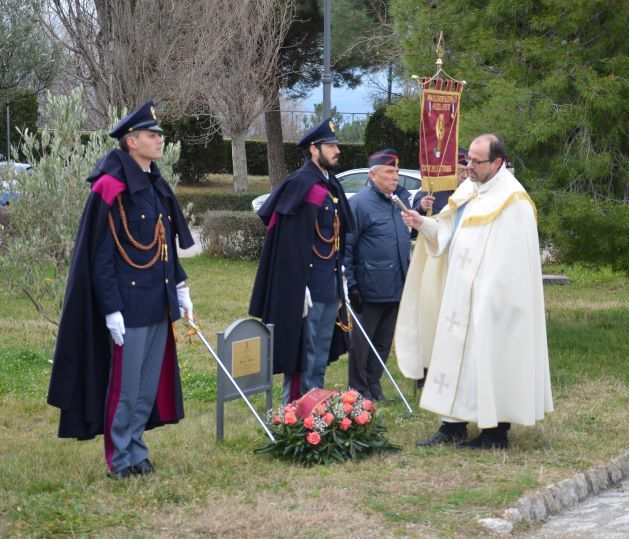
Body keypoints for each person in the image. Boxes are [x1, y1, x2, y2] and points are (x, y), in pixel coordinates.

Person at [47, 101, 195, 478]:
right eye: (152, 135)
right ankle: (118, 458)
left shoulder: (155, 185)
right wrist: (111, 308)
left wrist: (179, 285)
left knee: (146, 388)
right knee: (125, 389)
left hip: (158, 303)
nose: (159, 140)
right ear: (131, 141)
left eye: (160, 135)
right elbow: (100, 256)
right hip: (128, 305)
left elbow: (163, 244)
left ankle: (137, 451)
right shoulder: (110, 187)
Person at [397, 134, 553, 449]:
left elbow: (516, 264)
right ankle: (452, 426)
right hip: (459, 297)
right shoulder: (469, 189)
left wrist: (492, 296)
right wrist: (422, 223)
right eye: (469, 160)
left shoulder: (514, 201)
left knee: (488, 363)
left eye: (476, 162)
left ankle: (494, 433)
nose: (469, 167)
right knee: (454, 359)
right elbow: (447, 233)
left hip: (494, 303)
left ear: (497, 162)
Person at [249, 118, 354, 404]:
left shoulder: (330, 185)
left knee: (320, 352)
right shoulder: (301, 184)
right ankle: (295, 411)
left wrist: (340, 272)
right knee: (303, 353)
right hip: (307, 286)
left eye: (336, 145)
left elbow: (338, 232)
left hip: (330, 283)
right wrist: (298, 283)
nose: (337, 151)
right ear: (313, 149)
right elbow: (288, 242)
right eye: (330, 146)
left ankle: (316, 406)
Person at [344, 149, 411, 401]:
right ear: (373, 174)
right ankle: (358, 389)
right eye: (390, 172)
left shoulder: (396, 202)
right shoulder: (359, 204)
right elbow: (347, 246)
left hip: (395, 286)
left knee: (383, 343)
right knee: (362, 343)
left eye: (397, 172)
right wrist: (351, 284)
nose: (395, 177)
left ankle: (374, 384)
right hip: (369, 287)